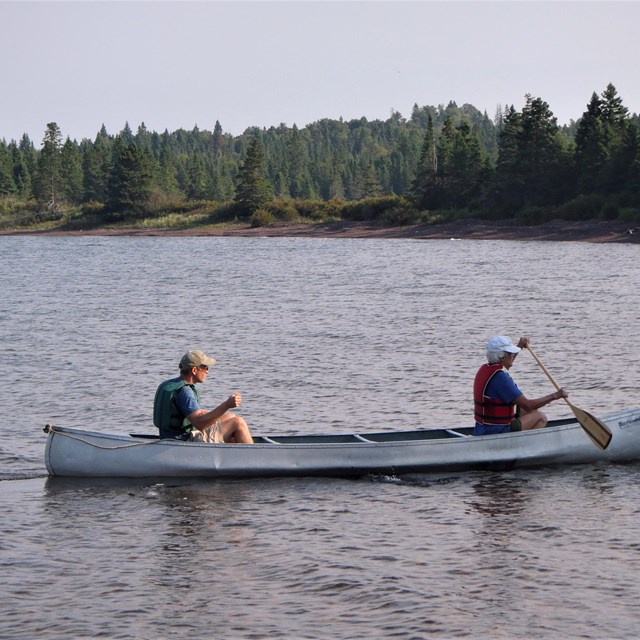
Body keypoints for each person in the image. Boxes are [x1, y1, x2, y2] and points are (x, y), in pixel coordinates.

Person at [473, 335, 568, 436]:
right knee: (540, 417)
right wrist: (556, 396)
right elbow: (528, 404)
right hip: (496, 431)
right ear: (502, 356)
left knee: (530, 411)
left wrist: (520, 346)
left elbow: (507, 363)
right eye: (510, 353)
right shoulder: (501, 378)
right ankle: (526, 447)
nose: (513, 355)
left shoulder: (486, 369)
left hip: (482, 429)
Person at [154, 350, 253, 443]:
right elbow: (200, 424)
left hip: (169, 437)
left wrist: (219, 413)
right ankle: (252, 457)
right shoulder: (185, 392)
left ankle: (232, 453)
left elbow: (195, 413)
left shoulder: (170, 385)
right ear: (194, 370)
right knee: (238, 422)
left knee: (231, 416)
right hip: (184, 441)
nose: (207, 371)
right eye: (205, 367)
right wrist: (226, 405)